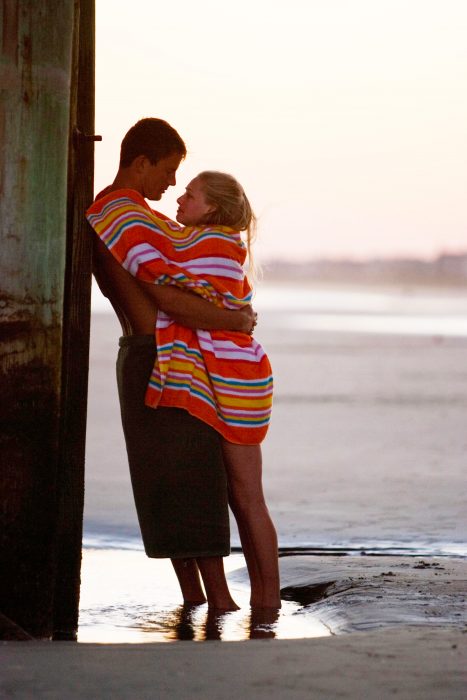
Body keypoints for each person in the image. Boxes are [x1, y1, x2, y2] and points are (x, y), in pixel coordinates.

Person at [88, 161, 281, 608]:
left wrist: (114, 216)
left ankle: (267, 601)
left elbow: (165, 267)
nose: (178, 198)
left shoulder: (213, 243)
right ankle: (259, 603)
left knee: (246, 495)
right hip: (223, 379)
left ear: (212, 208)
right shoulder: (203, 239)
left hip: (233, 382)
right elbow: (168, 246)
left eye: (190, 194)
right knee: (241, 493)